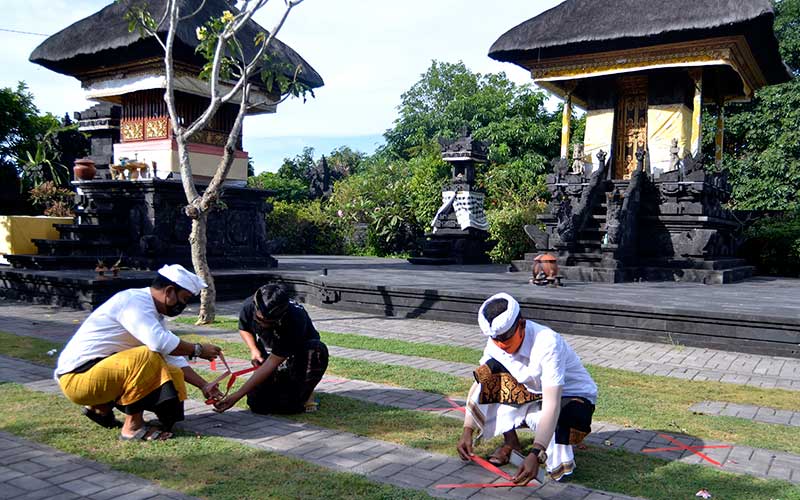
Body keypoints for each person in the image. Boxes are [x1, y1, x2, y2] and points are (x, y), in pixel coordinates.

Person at [55, 264, 224, 441]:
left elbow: (171, 355)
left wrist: (204, 385)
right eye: (184, 299)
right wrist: (198, 349)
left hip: (94, 374)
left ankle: (100, 408)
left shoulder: (151, 310)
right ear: (169, 291)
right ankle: (132, 427)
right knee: (147, 356)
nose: (183, 305)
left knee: (170, 373)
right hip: (77, 379)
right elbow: (160, 343)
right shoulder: (133, 302)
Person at [456, 292, 597, 485]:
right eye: (495, 339)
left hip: (572, 398)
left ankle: (558, 461)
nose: (500, 345)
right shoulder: (495, 342)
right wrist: (467, 430)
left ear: (521, 324)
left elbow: (552, 404)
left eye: (505, 339)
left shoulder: (547, 343)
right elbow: (480, 385)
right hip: (533, 393)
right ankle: (511, 442)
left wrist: (535, 454)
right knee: (488, 373)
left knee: (551, 418)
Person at [213, 284, 328, 414]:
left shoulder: (295, 318)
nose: (263, 324)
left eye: (269, 322)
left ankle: (306, 391)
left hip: (302, 353)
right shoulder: (249, 305)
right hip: (271, 351)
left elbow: (273, 362)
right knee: (258, 405)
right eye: (260, 319)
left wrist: (237, 395)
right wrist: (254, 350)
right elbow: (244, 328)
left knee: (288, 408)